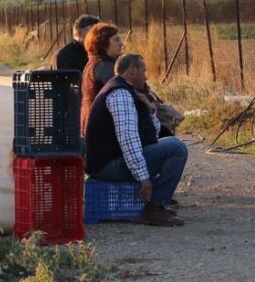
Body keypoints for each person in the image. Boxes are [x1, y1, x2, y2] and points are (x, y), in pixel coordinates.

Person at [85, 53, 188, 227]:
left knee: (171, 144)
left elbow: (151, 135)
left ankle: (157, 205)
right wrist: (143, 178)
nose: (146, 76)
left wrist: (150, 110)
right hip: (108, 166)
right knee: (177, 149)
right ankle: (154, 207)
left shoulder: (127, 91)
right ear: (132, 71)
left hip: (114, 161)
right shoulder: (120, 94)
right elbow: (128, 139)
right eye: (143, 71)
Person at [80, 23, 123, 136]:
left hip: (93, 125)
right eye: (116, 40)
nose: (121, 43)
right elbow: (123, 91)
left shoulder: (93, 63)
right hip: (102, 130)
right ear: (104, 44)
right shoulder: (104, 66)